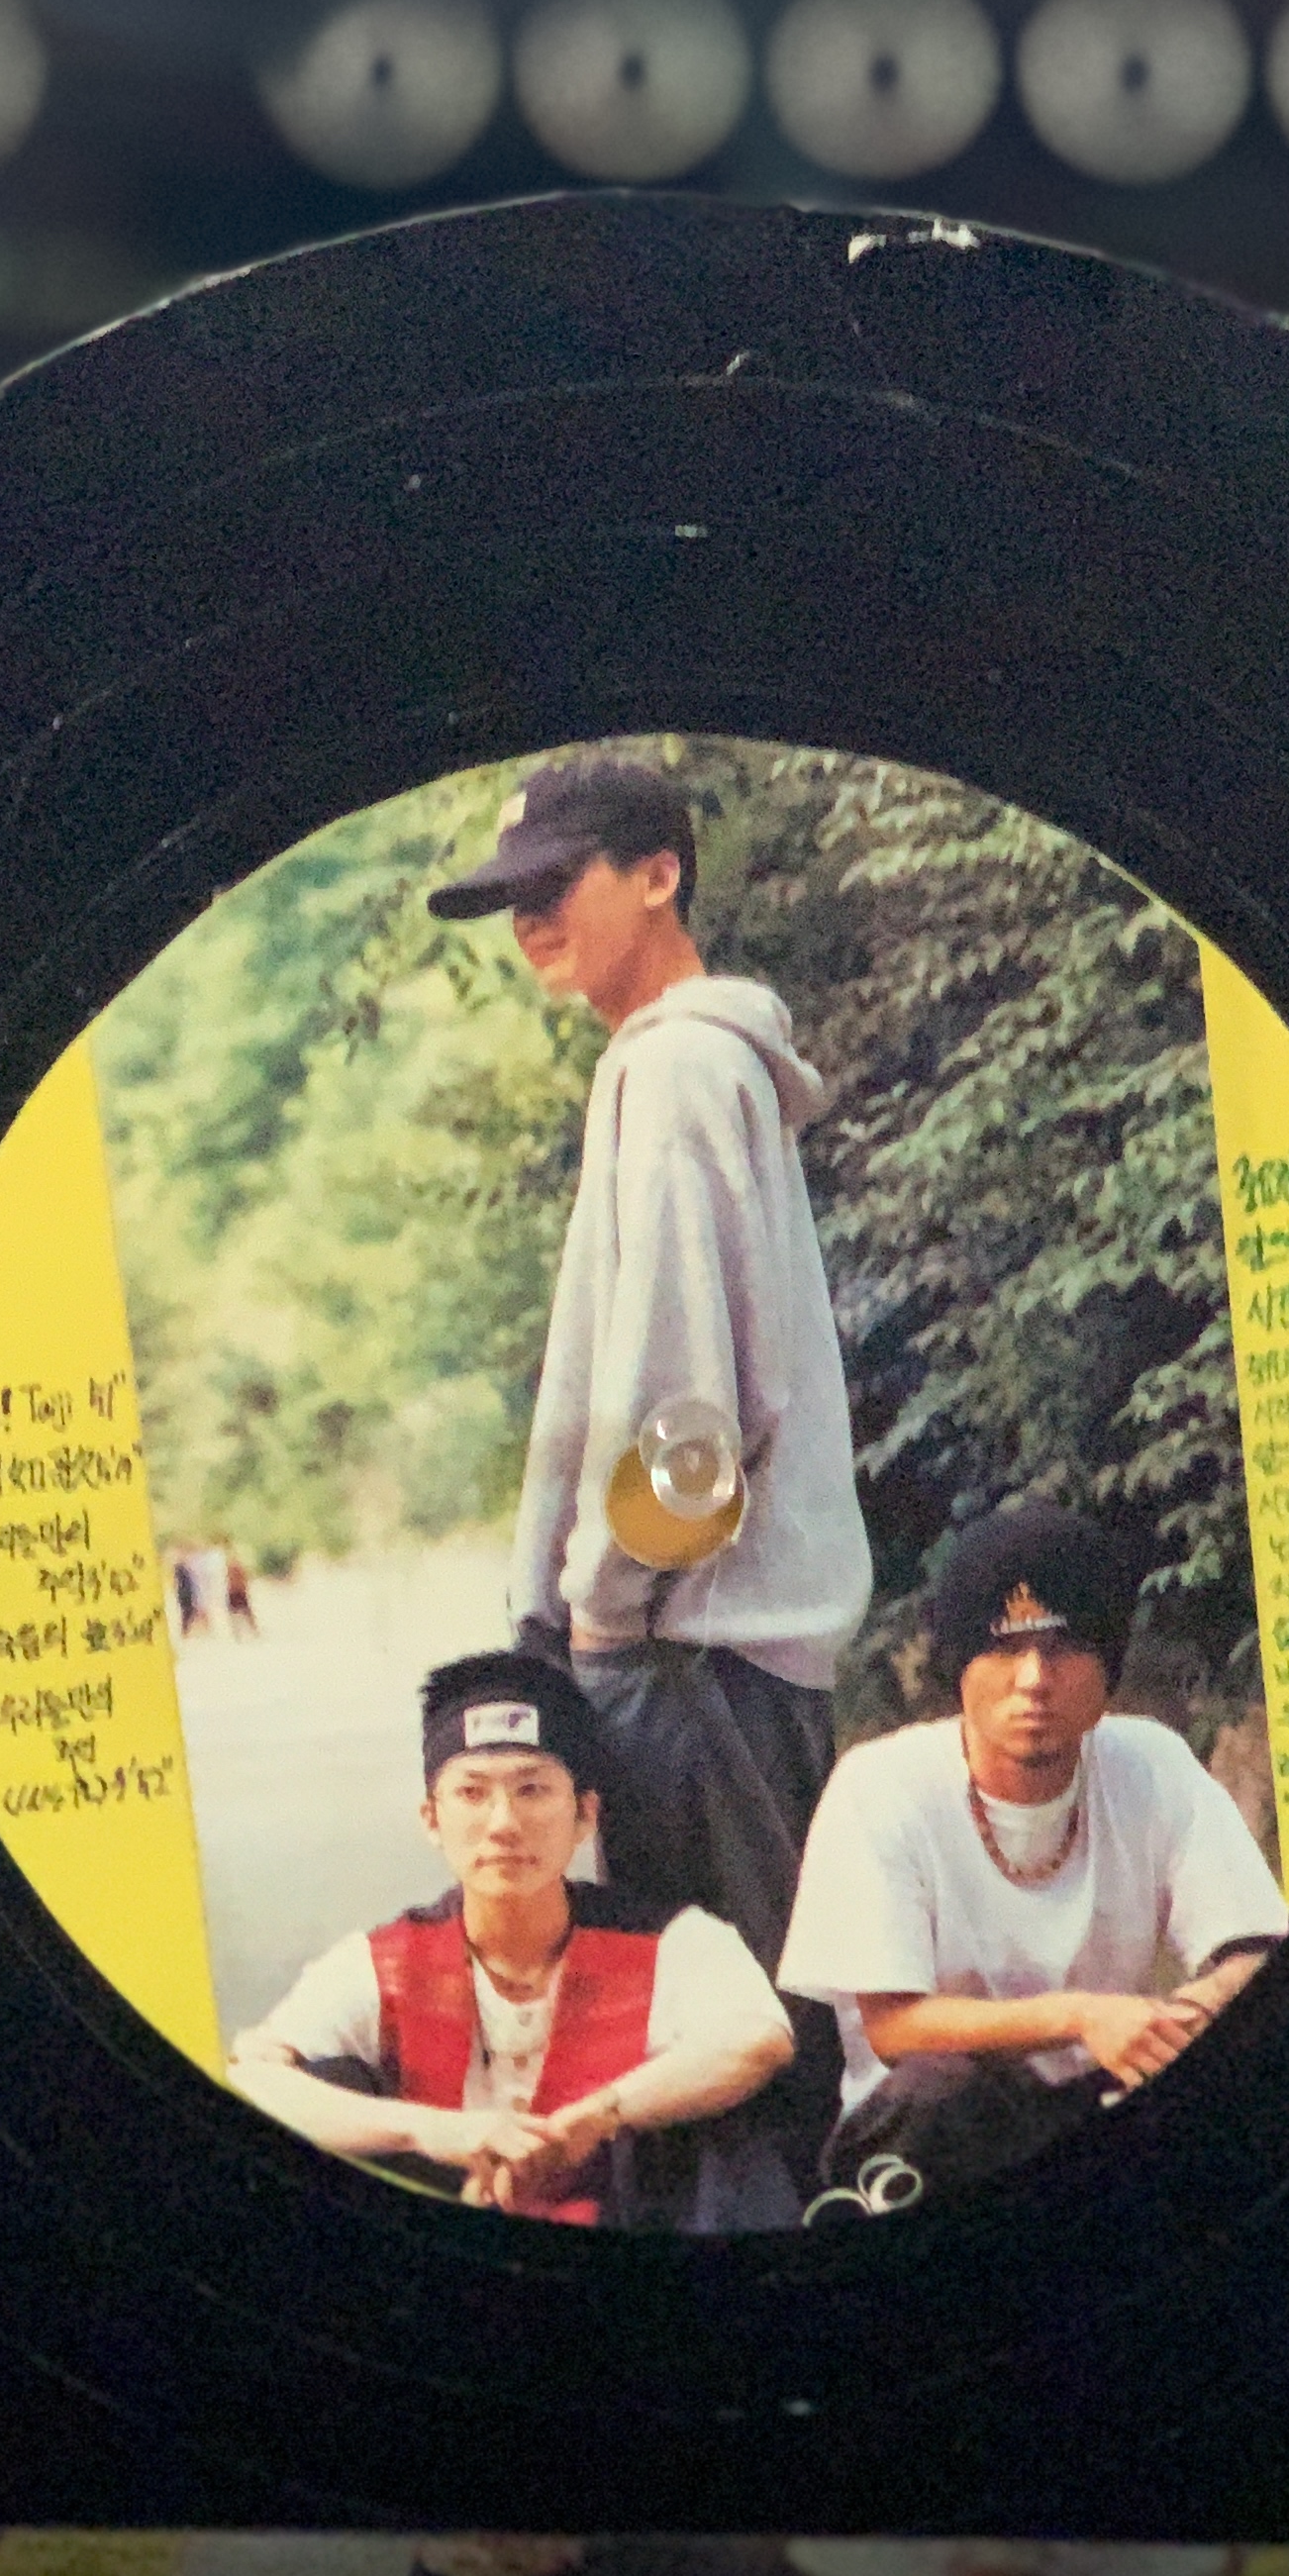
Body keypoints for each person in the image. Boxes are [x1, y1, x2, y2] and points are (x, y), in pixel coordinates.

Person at [426, 746, 872, 2141]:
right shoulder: (680, 1062)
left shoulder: (679, 1069)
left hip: (692, 1655)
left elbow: (687, 1411)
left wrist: (604, 1609)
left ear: (661, 873)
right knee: (752, 2034)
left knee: (732, 2055)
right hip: (714, 1648)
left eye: (556, 884)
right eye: (511, 899)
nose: (529, 922)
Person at [776, 1505, 1287, 2207]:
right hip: (927, 2133)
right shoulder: (880, 1785)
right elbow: (894, 2028)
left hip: (1103, 2095)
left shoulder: (1152, 1761)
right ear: (959, 1668)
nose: (1035, 1679)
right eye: (1003, 1649)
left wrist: (1192, 2010)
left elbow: (1252, 1947)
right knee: (940, 2092)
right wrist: (1082, 2017)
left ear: (1108, 1666)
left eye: (1064, 1648)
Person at [227, 1650, 798, 2229]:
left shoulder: (670, 1940)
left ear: (585, 1815)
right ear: (431, 1819)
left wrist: (598, 2117)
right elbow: (255, 2073)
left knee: (726, 2136)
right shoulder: (388, 1960)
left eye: (532, 1790)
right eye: (472, 1794)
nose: (503, 1824)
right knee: (326, 2086)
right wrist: (426, 2129)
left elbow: (758, 2040)